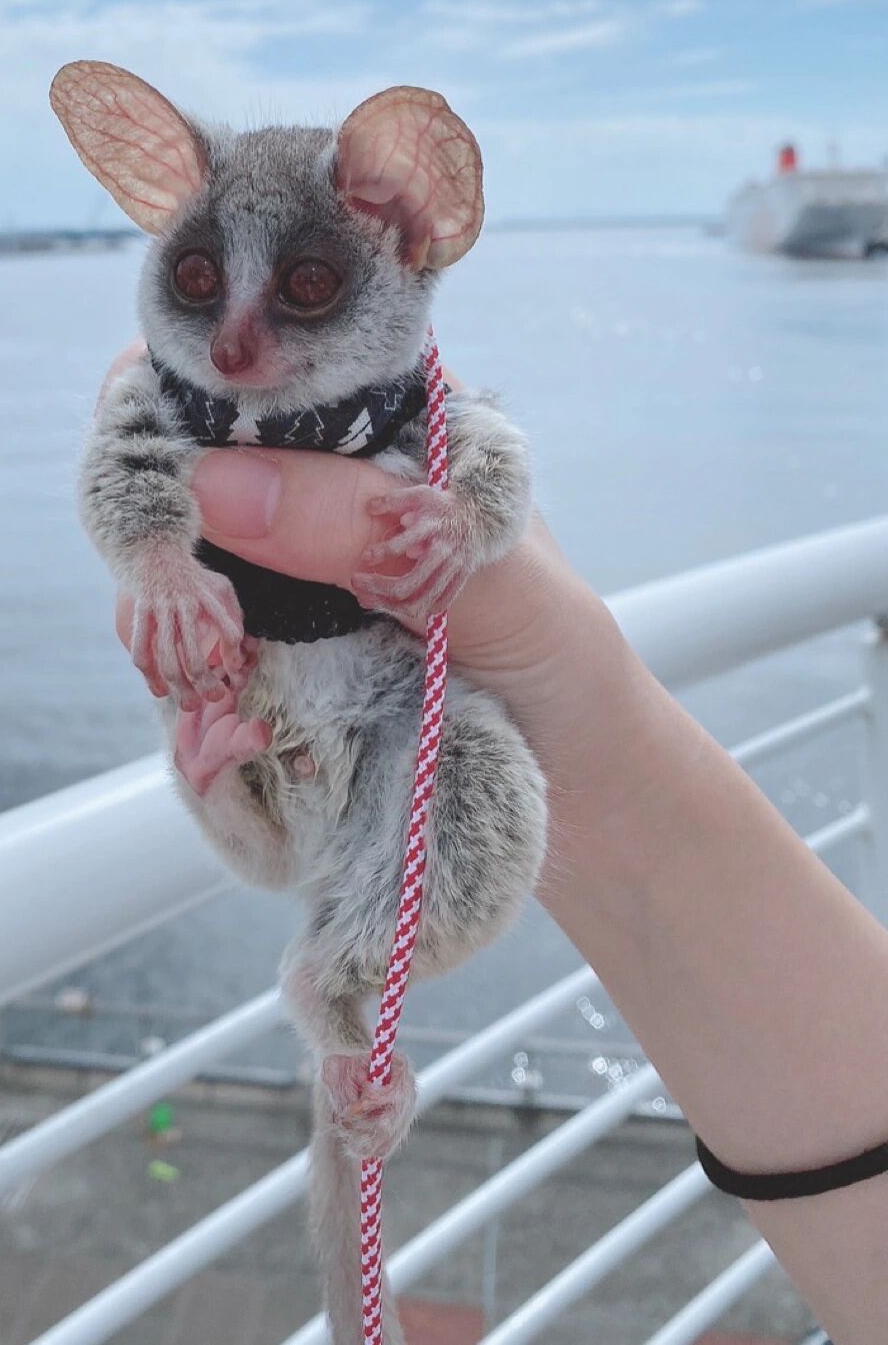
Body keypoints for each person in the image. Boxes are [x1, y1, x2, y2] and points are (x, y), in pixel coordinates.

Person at [103, 347, 888, 1345]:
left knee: (431, 776)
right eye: (203, 281)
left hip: (382, 723)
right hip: (290, 742)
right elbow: (120, 477)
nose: (243, 344)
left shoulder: (409, 392)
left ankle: (338, 980)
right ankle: (283, 886)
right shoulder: (183, 387)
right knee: (230, 734)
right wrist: (162, 559)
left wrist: (461, 521)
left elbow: (490, 462)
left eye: (304, 287)